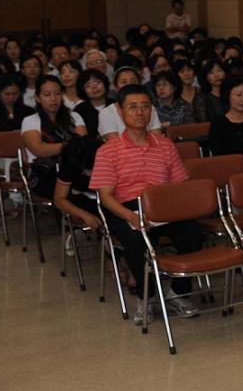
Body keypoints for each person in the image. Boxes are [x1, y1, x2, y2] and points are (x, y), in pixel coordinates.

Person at [89, 84, 202, 323]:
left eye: (145, 106)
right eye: (132, 107)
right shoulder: (108, 151)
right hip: (126, 208)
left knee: (193, 232)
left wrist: (172, 208)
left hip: (162, 205)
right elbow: (106, 196)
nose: (140, 112)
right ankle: (147, 296)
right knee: (134, 239)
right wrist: (131, 216)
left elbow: (179, 185)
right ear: (120, 111)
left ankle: (176, 292)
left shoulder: (165, 145)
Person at [20, 75, 87, 197]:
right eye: (47, 95)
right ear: (38, 98)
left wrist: (65, 147)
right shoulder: (30, 121)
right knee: (74, 192)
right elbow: (39, 150)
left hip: (75, 170)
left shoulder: (74, 116)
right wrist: (70, 146)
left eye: (57, 94)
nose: (53, 99)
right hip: (45, 173)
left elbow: (84, 146)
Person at [99, 68, 163, 140]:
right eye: (123, 82)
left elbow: (157, 138)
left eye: (133, 81)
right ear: (115, 87)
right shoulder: (106, 113)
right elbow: (114, 142)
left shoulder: (149, 107)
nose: (129, 85)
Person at [72, 68, 113, 135]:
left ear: (105, 84)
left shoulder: (116, 105)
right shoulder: (79, 111)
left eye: (97, 82)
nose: (94, 87)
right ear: (83, 91)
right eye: (88, 85)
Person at [193, 57, 228, 122]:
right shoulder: (202, 98)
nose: (216, 75)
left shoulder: (232, 92)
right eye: (211, 72)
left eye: (219, 70)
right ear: (206, 77)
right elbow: (204, 122)